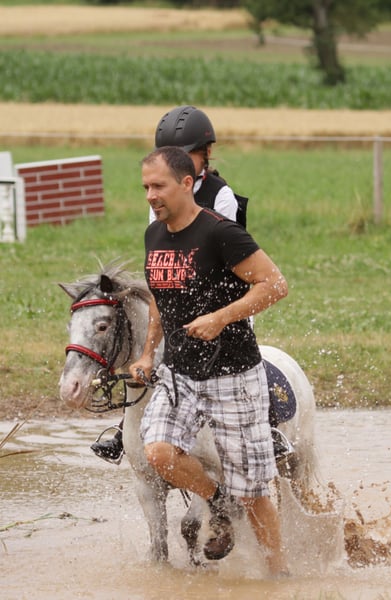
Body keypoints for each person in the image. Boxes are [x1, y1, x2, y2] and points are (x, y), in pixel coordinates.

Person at [127, 146, 289, 574]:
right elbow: (160, 298)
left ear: (186, 183)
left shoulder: (221, 233)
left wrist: (221, 317)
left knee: (253, 491)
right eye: (145, 187)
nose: (150, 195)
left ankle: (280, 575)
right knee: (158, 452)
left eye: (158, 186)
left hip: (232, 375)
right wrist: (147, 353)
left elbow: (274, 284)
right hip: (179, 375)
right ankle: (218, 502)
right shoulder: (153, 236)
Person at [91, 105, 243, 463]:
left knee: (243, 353)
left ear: (206, 154)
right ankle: (128, 426)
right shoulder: (158, 196)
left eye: (186, 156)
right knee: (149, 359)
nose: (178, 163)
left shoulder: (222, 195)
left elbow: (218, 250)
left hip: (222, 299)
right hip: (174, 292)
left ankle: (270, 427)